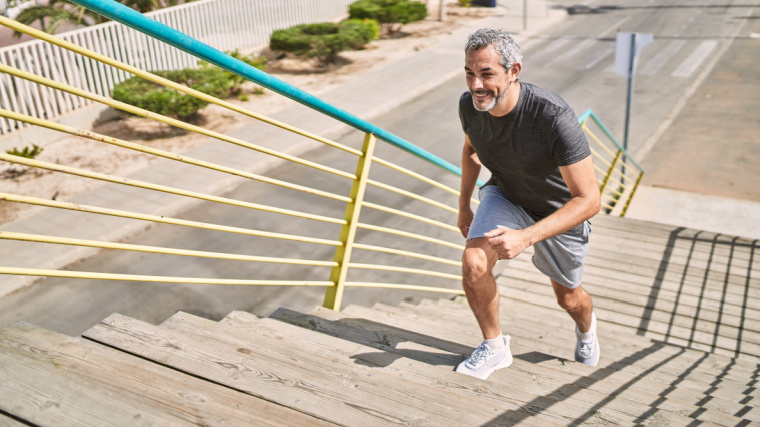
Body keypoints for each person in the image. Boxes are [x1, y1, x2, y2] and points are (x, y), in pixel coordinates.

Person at [455, 28, 602, 380]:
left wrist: (526, 237)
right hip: (506, 193)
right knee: (474, 262)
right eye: (470, 73)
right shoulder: (469, 105)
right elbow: (471, 152)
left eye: (487, 74)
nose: (476, 85)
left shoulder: (552, 116)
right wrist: (464, 206)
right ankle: (494, 348)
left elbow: (590, 199)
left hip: (557, 212)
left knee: (568, 299)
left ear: (513, 71)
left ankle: (587, 330)